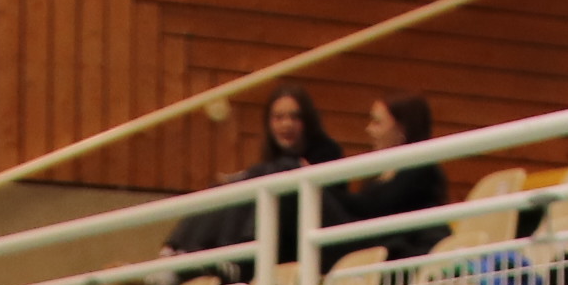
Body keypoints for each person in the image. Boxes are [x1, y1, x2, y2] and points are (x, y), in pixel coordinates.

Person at [163, 83, 343, 273]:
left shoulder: (327, 151)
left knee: (279, 170)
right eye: (278, 118)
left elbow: (335, 201)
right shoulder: (271, 159)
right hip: (278, 232)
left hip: (311, 228)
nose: (286, 124)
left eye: (295, 117)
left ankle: (235, 254)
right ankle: (176, 249)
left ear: (307, 121)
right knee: (220, 189)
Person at [323, 95, 449, 261]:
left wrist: (323, 188)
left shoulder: (420, 169)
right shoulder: (379, 173)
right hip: (380, 244)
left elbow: (373, 207)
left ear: (401, 129)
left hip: (405, 252)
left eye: (377, 122)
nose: (369, 129)